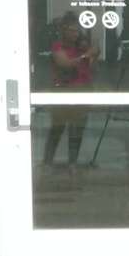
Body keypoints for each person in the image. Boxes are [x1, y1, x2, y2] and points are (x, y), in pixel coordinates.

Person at [41, 11, 98, 168]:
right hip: (63, 91)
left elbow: (92, 67)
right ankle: (47, 161)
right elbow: (64, 63)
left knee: (77, 129)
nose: (75, 33)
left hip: (83, 90)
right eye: (71, 30)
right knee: (57, 128)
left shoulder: (82, 46)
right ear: (63, 30)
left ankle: (73, 162)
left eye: (77, 30)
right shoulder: (58, 46)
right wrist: (86, 56)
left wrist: (92, 54)